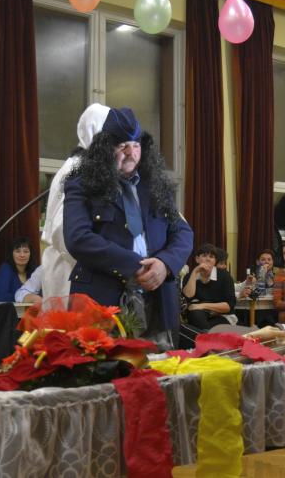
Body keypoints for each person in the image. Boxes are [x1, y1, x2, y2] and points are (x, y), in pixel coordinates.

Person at [63, 107, 193, 348]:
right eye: (122, 146)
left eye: (135, 145)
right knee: (104, 368)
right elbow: (77, 238)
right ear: (105, 149)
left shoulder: (155, 186)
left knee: (159, 368)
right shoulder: (81, 184)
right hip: (101, 301)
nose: (131, 153)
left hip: (157, 300)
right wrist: (135, 266)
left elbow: (183, 232)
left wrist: (165, 264)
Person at [41, 103, 110, 307]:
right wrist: (99, 265)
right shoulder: (78, 170)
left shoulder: (86, 167)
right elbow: (62, 231)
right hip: (69, 274)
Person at [181, 243, 236, 330]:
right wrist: (195, 272)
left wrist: (201, 305)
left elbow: (229, 306)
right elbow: (188, 296)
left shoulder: (225, 276)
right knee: (196, 315)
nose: (208, 259)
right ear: (197, 259)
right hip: (197, 315)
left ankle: (206, 336)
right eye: (204, 256)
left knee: (203, 326)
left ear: (215, 261)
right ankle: (207, 336)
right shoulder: (189, 276)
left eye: (211, 257)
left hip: (222, 315)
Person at [0, 236, 37, 302]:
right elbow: (1, 297)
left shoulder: (35, 270)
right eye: (18, 251)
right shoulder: (6, 269)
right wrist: (25, 298)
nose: (22, 255)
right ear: (11, 254)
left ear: (30, 254)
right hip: (11, 308)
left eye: (26, 251)